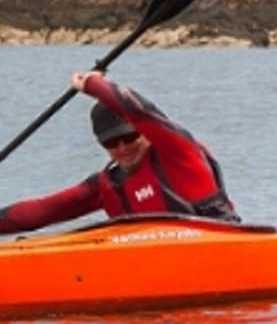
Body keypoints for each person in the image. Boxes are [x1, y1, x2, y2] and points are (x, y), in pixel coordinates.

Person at [0, 71, 238, 235]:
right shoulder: (107, 185)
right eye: (111, 142)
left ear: (144, 132)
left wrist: (93, 84)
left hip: (220, 246)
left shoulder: (178, 154)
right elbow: (45, 210)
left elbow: (140, 111)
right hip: (150, 266)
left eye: (129, 137)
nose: (122, 148)